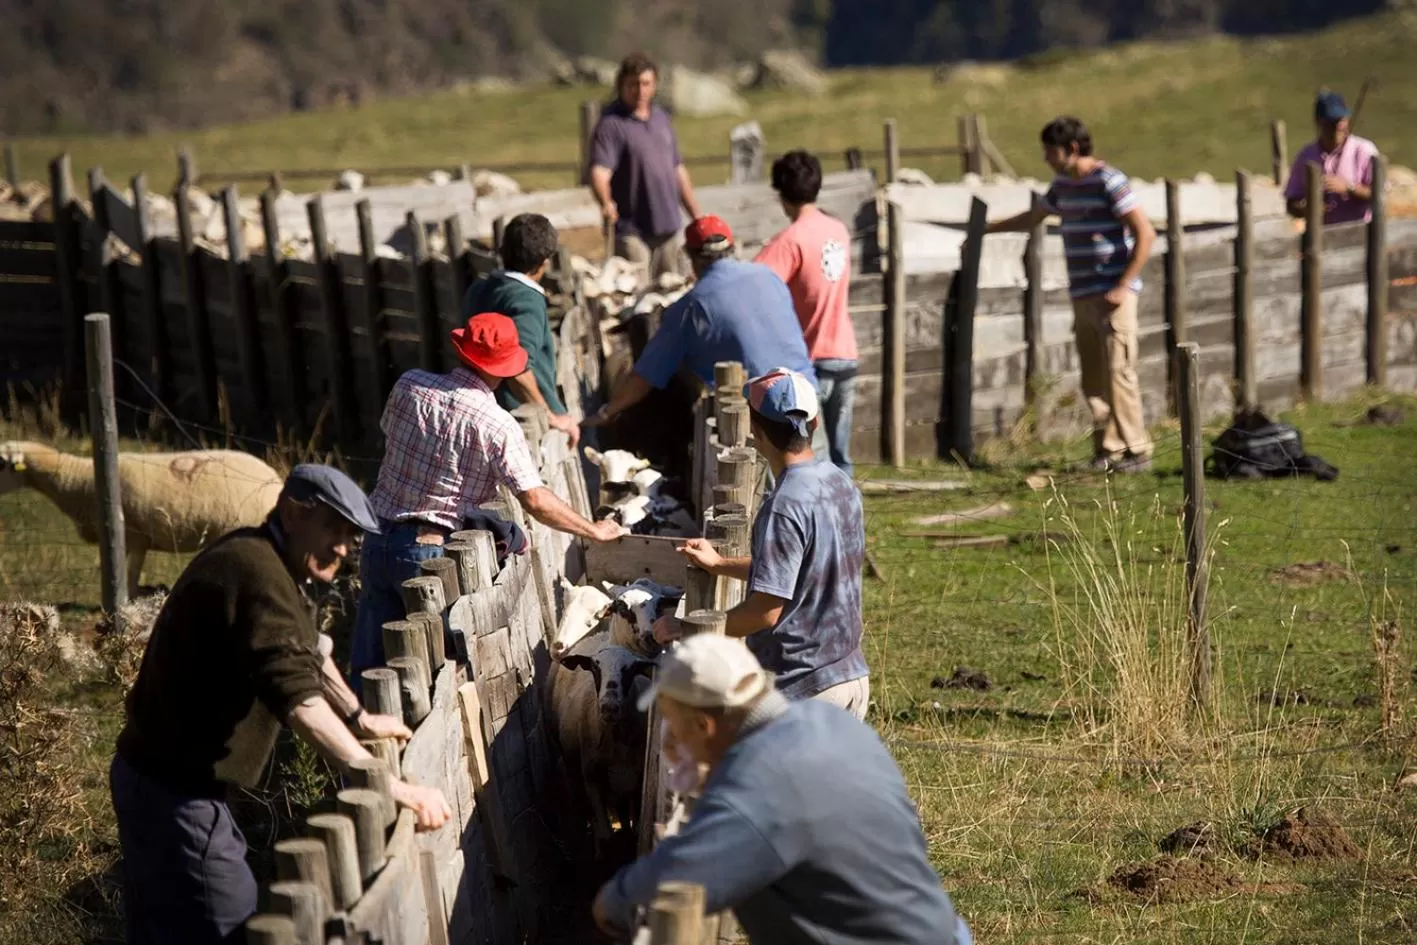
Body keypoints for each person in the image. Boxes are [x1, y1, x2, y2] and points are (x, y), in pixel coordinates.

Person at [111, 464, 453, 945]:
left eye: (350, 536)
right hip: (175, 789)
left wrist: (358, 716)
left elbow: (307, 649)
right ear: (293, 515)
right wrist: (385, 783)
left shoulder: (268, 560)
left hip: (159, 776)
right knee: (230, 926)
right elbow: (299, 701)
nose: (343, 547)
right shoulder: (257, 573)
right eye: (332, 528)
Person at [591, 635, 972, 945]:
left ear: (704, 726)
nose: (672, 742)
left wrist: (612, 899)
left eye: (675, 727)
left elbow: (672, 880)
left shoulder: (757, 789)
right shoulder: (831, 723)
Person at [350, 313, 624, 688]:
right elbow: (535, 499)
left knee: (370, 666)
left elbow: (391, 435)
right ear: (505, 368)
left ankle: (358, 720)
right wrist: (593, 530)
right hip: (428, 551)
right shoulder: (496, 424)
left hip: (376, 534)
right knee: (434, 671)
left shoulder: (409, 385)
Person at [656, 368, 869, 719]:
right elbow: (800, 570)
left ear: (754, 430)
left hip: (804, 689)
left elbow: (765, 612)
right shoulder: (839, 482)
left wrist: (688, 629)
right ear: (814, 423)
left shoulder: (783, 506)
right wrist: (720, 564)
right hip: (850, 677)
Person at [985, 116, 1156, 473]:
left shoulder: (1109, 181)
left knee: (1119, 371)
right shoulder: (1062, 186)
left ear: (1072, 148)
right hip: (1082, 294)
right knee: (1094, 377)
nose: (1046, 158)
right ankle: (1108, 450)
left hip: (1113, 296)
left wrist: (1123, 285)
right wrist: (987, 228)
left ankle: (1137, 450)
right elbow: (1034, 216)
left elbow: (1145, 233)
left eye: (1051, 151)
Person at [583, 216, 821, 456]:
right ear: (731, 247)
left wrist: (607, 411)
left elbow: (644, 376)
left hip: (761, 420)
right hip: (807, 398)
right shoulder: (768, 276)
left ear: (692, 257)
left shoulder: (690, 308)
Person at [755, 149, 860, 478]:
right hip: (846, 354)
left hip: (810, 361)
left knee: (810, 461)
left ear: (781, 195)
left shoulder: (789, 242)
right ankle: (847, 507)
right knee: (841, 459)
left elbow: (752, 286)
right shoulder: (838, 230)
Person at [461, 212, 579, 447]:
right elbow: (517, 369)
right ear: (544, 262)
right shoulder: (527, 300)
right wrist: (550, 415)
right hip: (518, 422)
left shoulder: (481, 288)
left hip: (480, 408)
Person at [588, 51, 703, 279]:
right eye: (633, 84)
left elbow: (678, 171)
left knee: (672, 290)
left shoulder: (661, 119)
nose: (640, 91)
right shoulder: (611, 125)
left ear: (654, 85)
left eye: (646, 84)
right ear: (621, 85)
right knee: (635, 292)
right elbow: (600, 172)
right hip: (632, 231)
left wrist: (696, 215)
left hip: (668, 227)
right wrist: (606, 201)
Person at [1284, 89, 1380, 226]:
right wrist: (1307, 208)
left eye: (1341, 120)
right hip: (1321, 235)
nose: (1337, 126)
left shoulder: (1364, 150)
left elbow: (1380, 195)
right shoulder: (1306, 156)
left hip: (1360, 232)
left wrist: (1349, 188)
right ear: (1318, 121)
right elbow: (1291, 203)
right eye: (1331, 121)